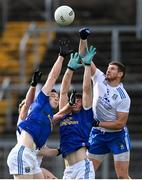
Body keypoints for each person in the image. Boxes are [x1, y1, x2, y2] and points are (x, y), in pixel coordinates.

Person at [7, 40, 74, 179]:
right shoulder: (40, 104)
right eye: (53, 96)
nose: (56, 98)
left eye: (57, 97)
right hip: (22, 153)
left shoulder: (48, 117)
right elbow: (53, 77)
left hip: (32, 157)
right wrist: (61, 56)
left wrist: (71, 105)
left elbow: (60, 115)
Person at [79, 28, 131, 179]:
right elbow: (83, 56)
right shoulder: (99, 78)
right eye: (108, 68)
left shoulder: (123, 97)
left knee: (122, 176)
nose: (108, 71)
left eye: (113, 69)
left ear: (120, 74)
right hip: (98, 135)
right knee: (87, 173)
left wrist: (97, 123)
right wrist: (83, 39)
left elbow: (120, 124)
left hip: (117, 136)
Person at [58, 46, 96, 179]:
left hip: (82, 167)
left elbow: (86, 89)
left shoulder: (85, 114)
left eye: (80, 101)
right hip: (68, 171)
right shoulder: (64, 113)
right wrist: (69, 69)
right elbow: (63, 91)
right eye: (75, 99)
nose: (77, 102)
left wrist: (87, 65)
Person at [17, 70, 58, 179]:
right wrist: (33, 85)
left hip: (34, 164)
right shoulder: (25, 119)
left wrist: (62, 150)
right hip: (24, 158)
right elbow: (27, 105)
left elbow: (45, 151)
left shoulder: (41, 122)